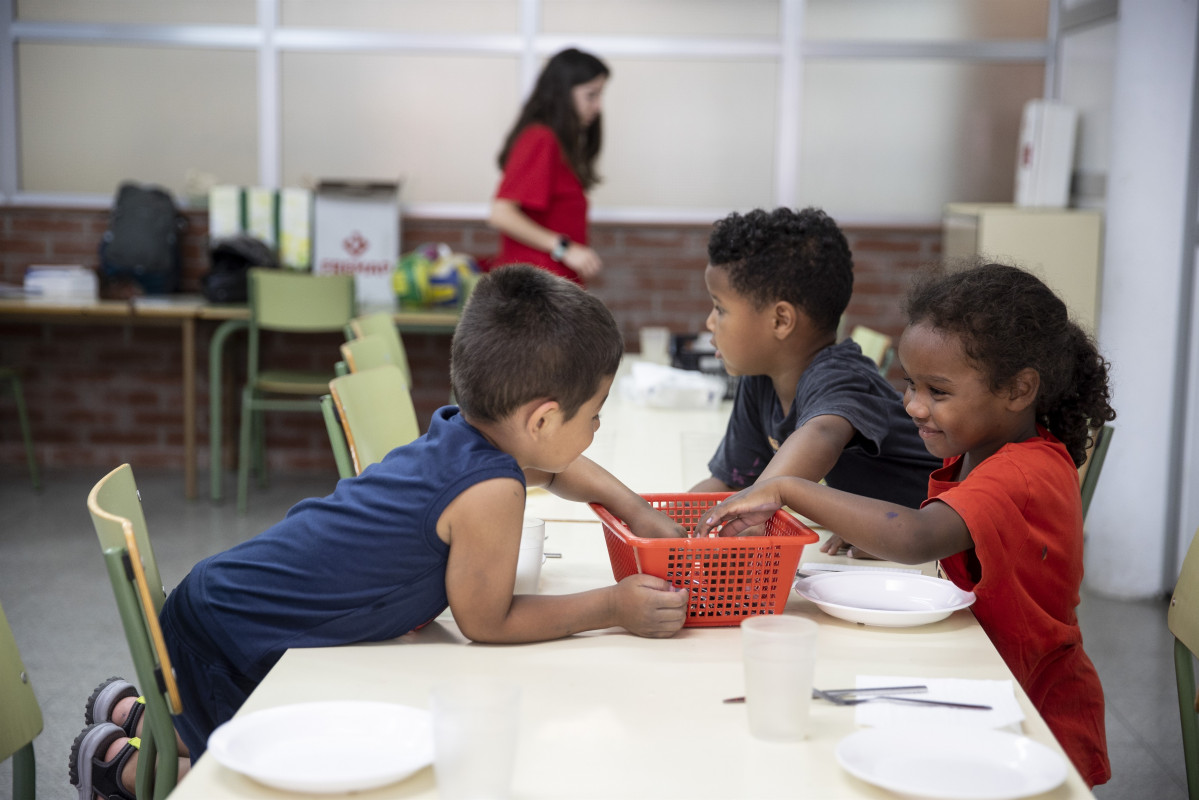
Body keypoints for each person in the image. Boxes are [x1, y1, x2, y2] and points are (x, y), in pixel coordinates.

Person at [70, 265, 689, 800]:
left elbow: (555, 465)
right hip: (236, 646)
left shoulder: (467, 432)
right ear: (544, 416)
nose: (599, 426)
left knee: (207, 717)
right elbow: (488, 622)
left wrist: (633, 509)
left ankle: (139, 711)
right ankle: (119, 767)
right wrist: (612, 605)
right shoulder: (491, 492)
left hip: (221, 610)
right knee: (251, 780)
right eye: (595, 413)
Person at [696, 262, 1114, 787]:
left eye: (937, 392)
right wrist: (874, 530)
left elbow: (916, 537)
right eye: (911, 385)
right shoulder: (982, 451)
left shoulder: (1023, 470)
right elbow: (943, 532)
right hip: (985, 678)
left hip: (1030, 716)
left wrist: (788, 488)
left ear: (1018, 389)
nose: (913, 406)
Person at [691, 207, 941, 543]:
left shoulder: (840, 376)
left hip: (938, 534)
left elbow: (822, 433)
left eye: (719, 308)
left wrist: (759, 504)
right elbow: (732, 483)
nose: (710, 322)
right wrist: (670, 527)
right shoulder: (761, 379)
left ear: (781, 321)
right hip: (891, 536)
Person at [487, 48, 609, 285]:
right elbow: (501, 213)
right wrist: (565, 248)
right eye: (591, 95)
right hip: (534, 294)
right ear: (563, 93)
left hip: (547, 290)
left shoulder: (556, 144)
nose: (598, 107)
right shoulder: (541, 139)